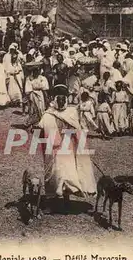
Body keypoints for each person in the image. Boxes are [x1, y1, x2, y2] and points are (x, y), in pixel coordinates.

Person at [36, 84, 97, 212]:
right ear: (55, 100)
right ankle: (53, 200)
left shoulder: (72, 112)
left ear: (66, 100)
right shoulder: (48, 114)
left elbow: (78, 128)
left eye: (64, 99)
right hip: (54, 149)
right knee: (55, 173)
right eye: (59, 99)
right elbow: (41, 128)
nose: (62, 101)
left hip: (68, 148)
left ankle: (66, 200)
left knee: (68, 172)